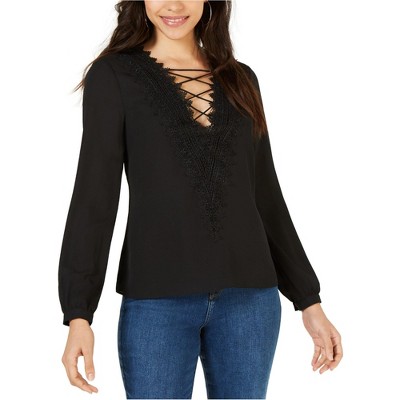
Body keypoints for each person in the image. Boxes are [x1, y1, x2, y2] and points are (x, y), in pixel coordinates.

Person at [58, 1, 343, 398]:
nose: (173, 5)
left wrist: (308, 300)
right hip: (157, 301)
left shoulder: (241, 79)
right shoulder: (114, 76)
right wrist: (78, 313)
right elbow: (94, 198)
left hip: (250, 302)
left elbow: (265, 196)